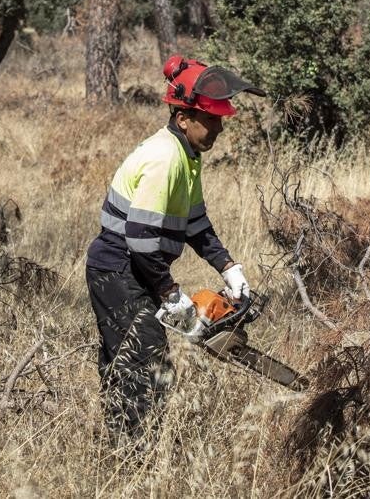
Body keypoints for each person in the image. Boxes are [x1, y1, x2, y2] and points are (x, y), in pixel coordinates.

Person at [86, 55, 264, 445]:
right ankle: (134, 457)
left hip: (136, 268)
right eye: (211, 118)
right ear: (183, 117)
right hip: (119, 269)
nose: (218, 126)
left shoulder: (188, 156)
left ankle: (125, 448)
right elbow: (141, 238)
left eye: (220, 119)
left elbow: (196, 225)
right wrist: (171, 294)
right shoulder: (165, 158)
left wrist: (230, 269)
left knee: (139, 364)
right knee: (145, 364)